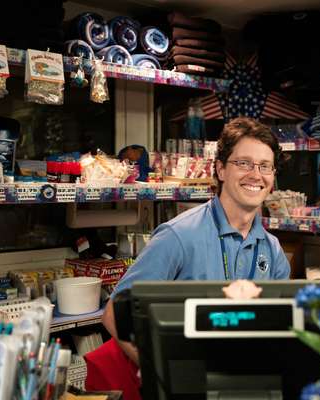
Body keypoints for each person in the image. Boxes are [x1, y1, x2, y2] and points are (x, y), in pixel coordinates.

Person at [101, 117, 291, 367]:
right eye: (244, 163)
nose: (256, 175)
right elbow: (114, 315)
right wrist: (163, 375)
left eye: (265, 166)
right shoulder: (179, 236)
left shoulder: (272, 250)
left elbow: (278, 326)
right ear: (221, 169)